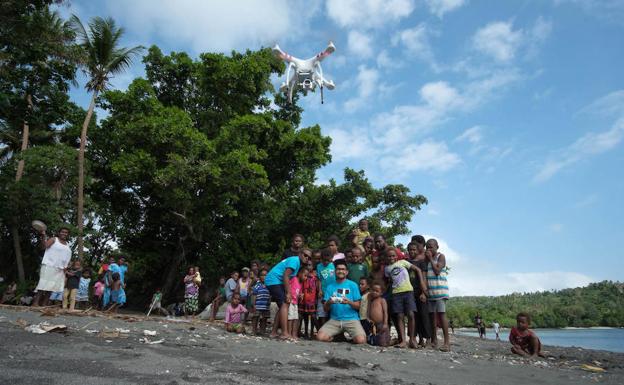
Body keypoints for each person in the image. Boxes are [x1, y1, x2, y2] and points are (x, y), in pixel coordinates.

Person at [384, 247, 426, 348]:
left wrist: (422, 284)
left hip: (408, 291)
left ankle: (412, 339)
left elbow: (417, 269)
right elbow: (389, 281)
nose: (391, 258)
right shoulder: (386, 269)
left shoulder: (403, 262)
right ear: (386, 257)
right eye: (389, 256)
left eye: (393, 255)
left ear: (397, 256)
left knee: (411, 314)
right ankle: (403, 341)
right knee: (400, 316)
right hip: (396, 294)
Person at [316, 259, 365, 344]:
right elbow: (325, 309)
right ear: (335, 271)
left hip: (351, 319)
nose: (340, 271)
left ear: (347, 272)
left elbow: (358, 306)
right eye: (338, 269)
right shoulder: (330, 287)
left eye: (343, 269)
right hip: (335, 319)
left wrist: (349, 302)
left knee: (361, 340)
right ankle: (337, 337)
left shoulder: (353, 285)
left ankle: (346, 338)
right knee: (320, 337)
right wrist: (329, 302)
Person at [265, 252, 307, 339]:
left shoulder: (296, 262)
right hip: (274, 280)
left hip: (275, 281)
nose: (306, 257)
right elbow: (286, 275)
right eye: (305, 255)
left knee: (282, 306)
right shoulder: (295, 261)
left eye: (309, 257)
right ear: (300, 254)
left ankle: (273, 332)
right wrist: (288, 293)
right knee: (285, 304)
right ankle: (284, 333)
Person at [33, 227, 72, 307]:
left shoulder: (67, 244)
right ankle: (35, 303)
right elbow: (44, 246)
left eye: (66, 232)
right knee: (43, 284)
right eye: (62, 232)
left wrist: (65, 269)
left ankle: (44, 304)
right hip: (49, 265)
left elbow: (66, 258)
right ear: (59, 232)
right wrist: (43, 236)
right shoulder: (54, 239)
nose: (64, 233)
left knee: (52, 287)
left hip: (60, 269)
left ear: (68, 234)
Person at [426, 238, 450, 352]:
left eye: (431, 246)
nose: (429, 249)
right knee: (432, 317)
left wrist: (430, 258)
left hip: (440, 292)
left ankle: (447, 343)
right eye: (427, 247)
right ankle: (434, 341)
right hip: (431, 293)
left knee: (441, 315)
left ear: (437, 247)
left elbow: (437, 271)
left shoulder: (441, 256)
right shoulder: (427, 260)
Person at [407, 238, 432, 347]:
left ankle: (427, 339)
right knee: (413, 315)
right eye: (410, 250)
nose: (412, 252)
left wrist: (423, 292)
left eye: (414, 250)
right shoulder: (406, 263)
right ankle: (417, 338)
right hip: (409, 293)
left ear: (418, 251)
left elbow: (424, 278)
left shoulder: (422, 262)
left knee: (424, 315)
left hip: (420, 292)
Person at [364, 281, 390, 347]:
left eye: (377, 291)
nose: (374, 292)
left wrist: (385, 323)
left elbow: (385, 312)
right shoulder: (371, 300)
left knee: (383, 343)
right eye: (373, 290)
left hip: (381, 324)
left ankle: (393, 341)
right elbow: (368, 310)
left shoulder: (382, 300)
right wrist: (368, 318)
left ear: (381, 293)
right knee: (373, 342)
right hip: (373, 325)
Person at [316, 248, 336, 327]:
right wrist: (320, 290)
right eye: (324, 260)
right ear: (321, 259)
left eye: (328, 260)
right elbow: (319, 280)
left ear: (331, 259)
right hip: (323, 292)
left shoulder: (333, 265)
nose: (326, 262)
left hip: (332, 292)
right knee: (322, 313)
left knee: (332, 311)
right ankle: (323, 329)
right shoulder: (319, 266)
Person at [300, 261, 319, 339]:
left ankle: (311, 332)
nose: (308, 267)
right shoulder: (304, 276)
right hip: (304, 299)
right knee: (305, 317)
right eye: (307, 265)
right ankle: (306, 333)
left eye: (310, 265)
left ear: (313, 266)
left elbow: (317, 287)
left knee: (313, 316)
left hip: (312, 300)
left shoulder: (315, 277)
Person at [288, 267, 307, 340]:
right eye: (305, 275)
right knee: (290, 318)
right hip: (291, 302)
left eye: (306, 276)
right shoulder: (294, 279)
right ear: (299, 273)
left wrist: (300, 295)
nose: (305, 278)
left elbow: (298, 292)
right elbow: (288, 286)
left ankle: (294, 334)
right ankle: (289, 334)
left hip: (295, 303)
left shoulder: (301, 283)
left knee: (295, 318)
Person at [250, 269, 270, 335]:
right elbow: (254, 295)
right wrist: (253, 305)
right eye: (262, 275)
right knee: (255, 318)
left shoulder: (269, 286)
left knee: (264, 319)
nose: (264, 277)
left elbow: (270, 296)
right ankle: (254, 330)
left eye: (266, 275)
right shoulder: (257, 286)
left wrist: (269, 303)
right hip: (257, 305)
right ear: (259, 277)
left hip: (266, 306)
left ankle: (262, 331)